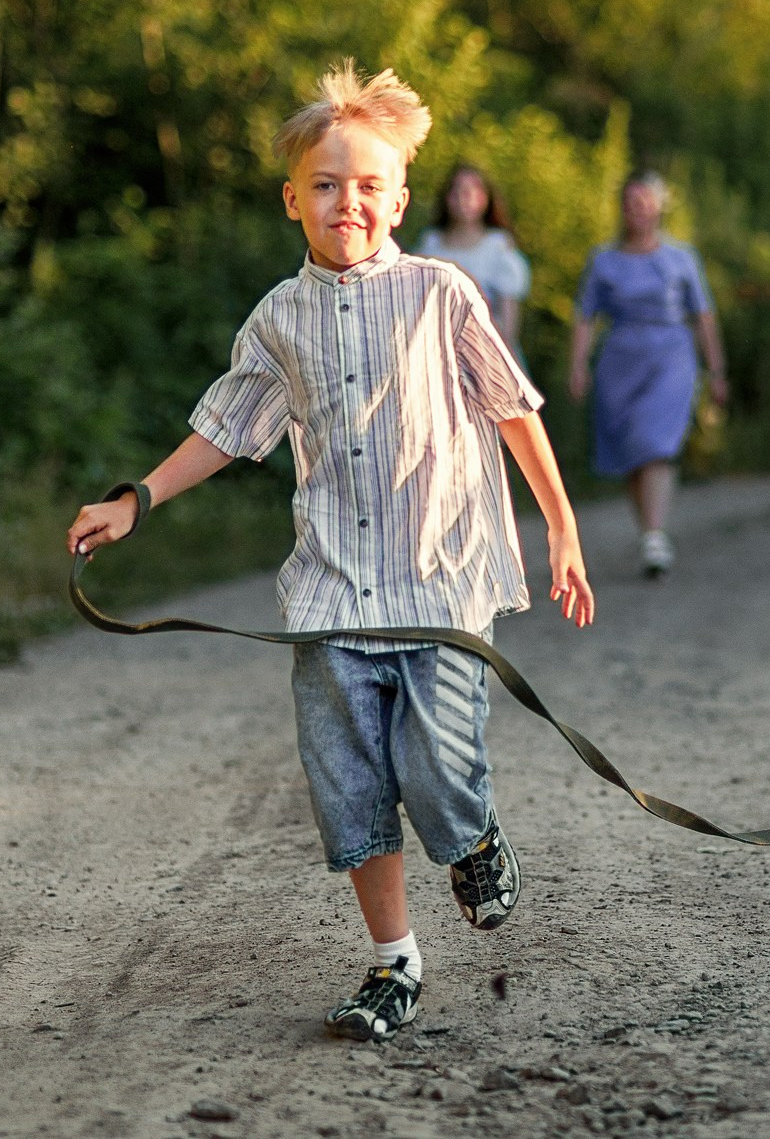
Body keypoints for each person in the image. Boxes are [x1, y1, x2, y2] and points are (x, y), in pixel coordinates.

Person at [67, 62, 596, 1043]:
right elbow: (228, 427)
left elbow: (514, 410)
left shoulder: (442, 293)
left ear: (398, 198)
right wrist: (136, 498)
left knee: (436, 769)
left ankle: (472, 835)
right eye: (324, 183)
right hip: (329, 594)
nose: (344, 201)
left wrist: (559, 525)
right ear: (291, 199)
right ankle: (392, 964)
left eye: (365, 185)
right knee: (350, 784)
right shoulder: (279, 316)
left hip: (435, 584)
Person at [568, 170, 728, 579]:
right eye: (631, 202)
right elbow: (586, 316)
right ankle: (649, 534)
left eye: (646, 201)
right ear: (622, 209)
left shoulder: (681, 257)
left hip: (672, 357)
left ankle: (655, 534)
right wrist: (578, 366)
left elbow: (703, 314)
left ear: (659, 206)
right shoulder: (604, 260)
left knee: (655, 440)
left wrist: (717, 369)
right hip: (620, 359)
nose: (638, 210)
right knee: (632, 450)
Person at [415, 164, 531, 356]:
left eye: (473, 190)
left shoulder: (499, 247)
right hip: (436, 351)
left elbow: (509, 323)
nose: (464, 197)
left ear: (486, 198)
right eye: (457, 190)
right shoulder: (430, 244)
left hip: (486, 353)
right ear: (447, 198)